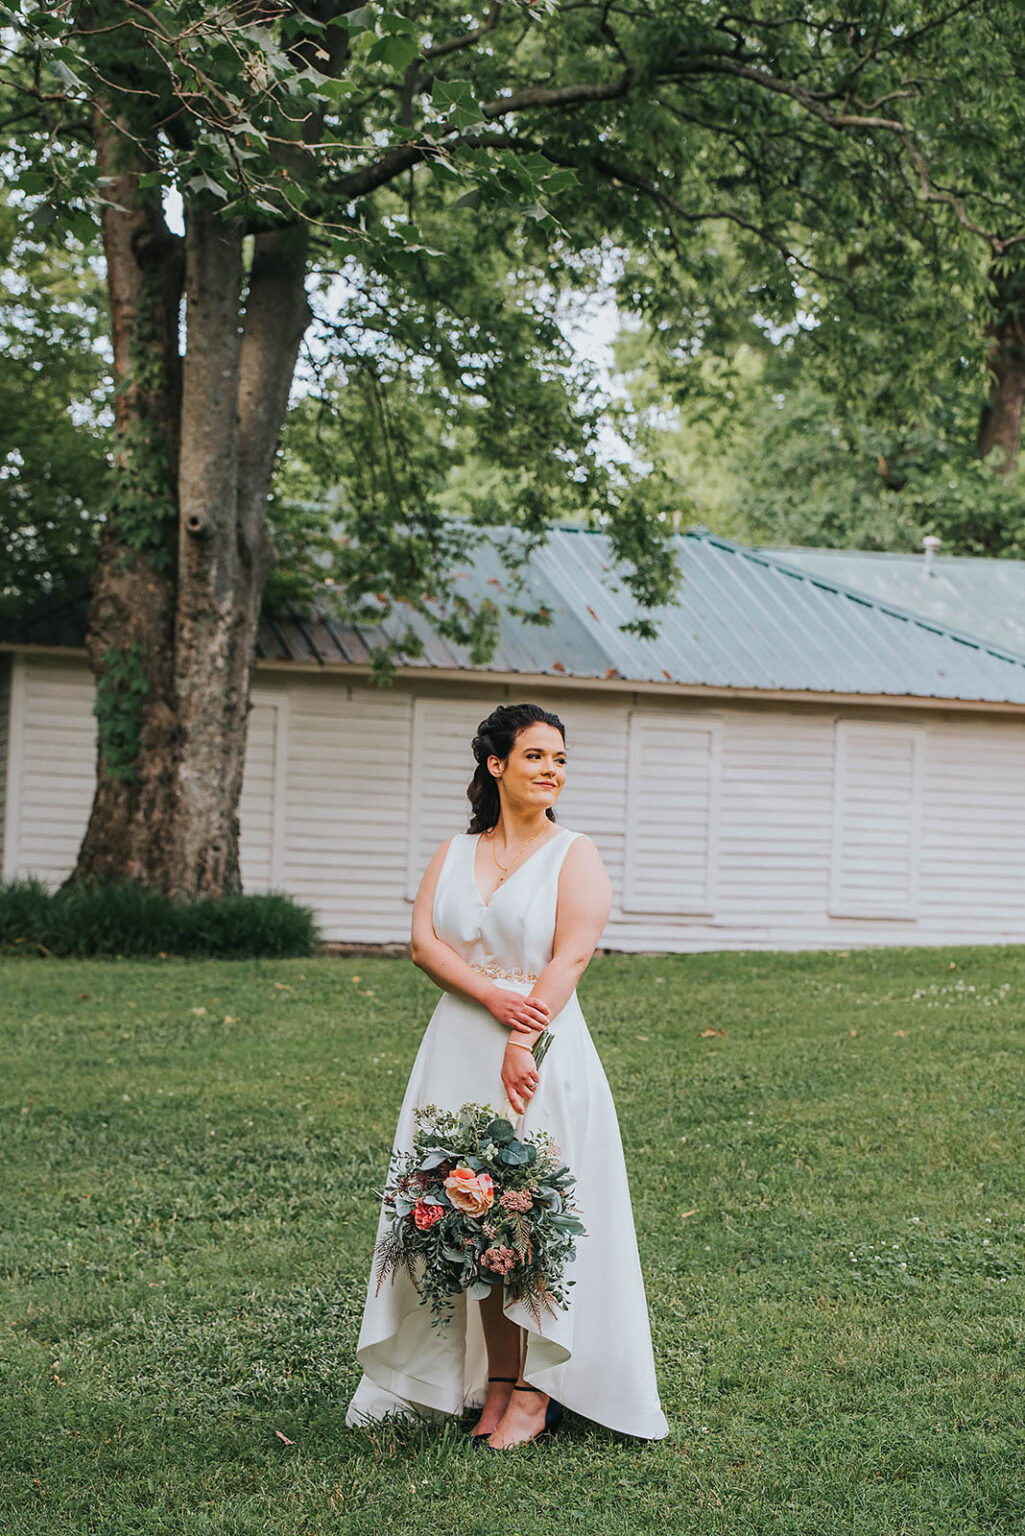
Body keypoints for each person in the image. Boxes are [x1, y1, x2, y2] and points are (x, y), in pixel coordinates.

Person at [345, 702, 669, 1447]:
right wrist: (489, 996)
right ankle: (494, 1382)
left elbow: (572, 956)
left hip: (540, 1048)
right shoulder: (454, 852)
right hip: (457, 1045)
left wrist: (522, 1037)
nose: (551, 770)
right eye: (534, 757)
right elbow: (426, 943)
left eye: (558, 758)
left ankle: (535, 1391)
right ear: (496, 765)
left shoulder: (573, 853)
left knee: (528, 1215)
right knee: (472, 1219)